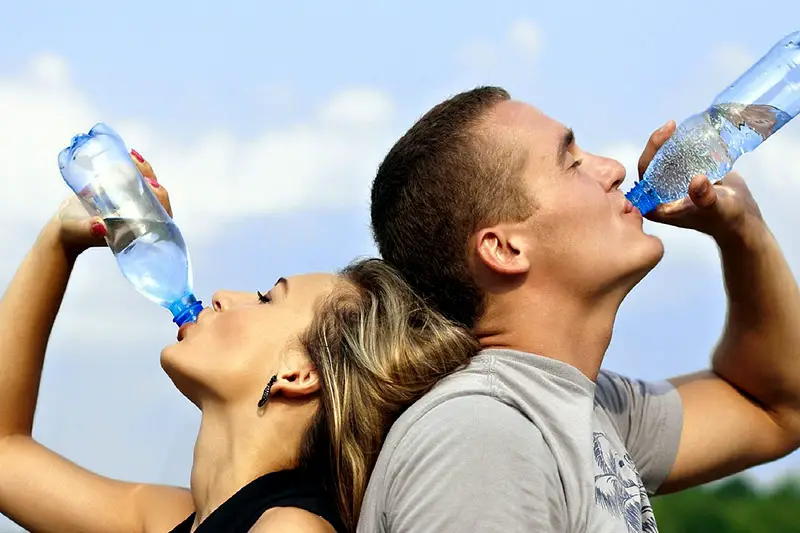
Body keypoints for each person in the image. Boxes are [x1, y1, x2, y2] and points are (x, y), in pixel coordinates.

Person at [359, 86, 800, 532]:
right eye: (571, 163)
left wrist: (743, 229)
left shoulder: (582, 407)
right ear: (506, 249)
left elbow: (778, 408)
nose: (614, 169)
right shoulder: (482, 438)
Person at [0, 152, 479, 533]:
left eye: (266, 298)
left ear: (299, 374)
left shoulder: (290, 529)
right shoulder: (171, 520)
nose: (221, 297)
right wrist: (59, 241)